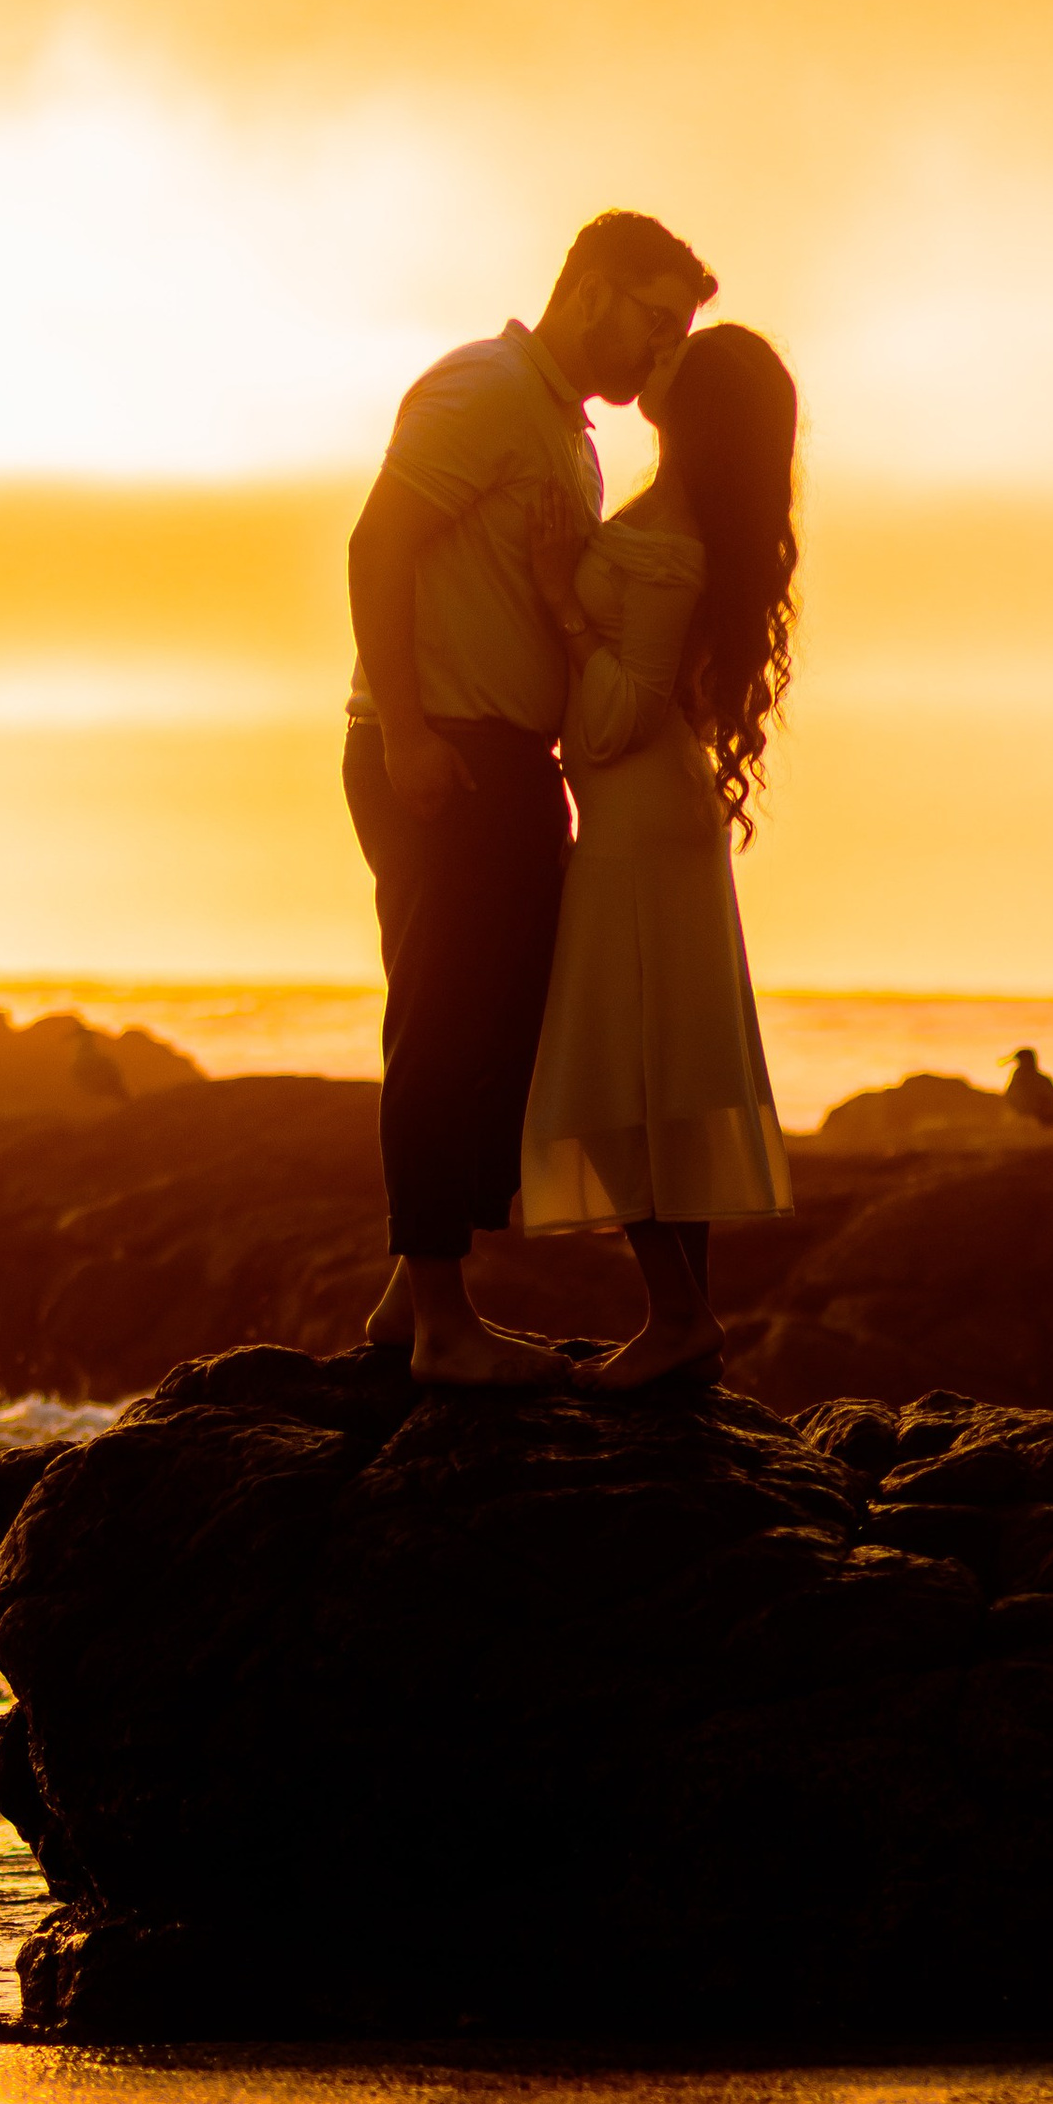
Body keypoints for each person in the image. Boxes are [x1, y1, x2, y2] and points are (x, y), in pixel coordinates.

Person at [343, 212, 717, 1386]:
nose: (662, 351)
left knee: (506, 1029)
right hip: (444, 751)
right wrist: (406, 733)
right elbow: (375, 546)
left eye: (678, 335)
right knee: (444, 1024)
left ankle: (411, 1300)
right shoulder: (483, 388)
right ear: (592, 290)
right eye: (656, 321)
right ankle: (442, 1324)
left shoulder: (564, 431)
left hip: (509, 763)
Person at [517, 324, 799, 1383]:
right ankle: (685, 1321)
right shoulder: (671, 524)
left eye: (683, 356)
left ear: (700, 411)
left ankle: (680, 1317)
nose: (659, 354)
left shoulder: (668, 550)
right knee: (663, 1061)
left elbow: (611, 724)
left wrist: (560, 599)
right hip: (650, 819)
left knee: (615, 1063)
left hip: (638, 822)